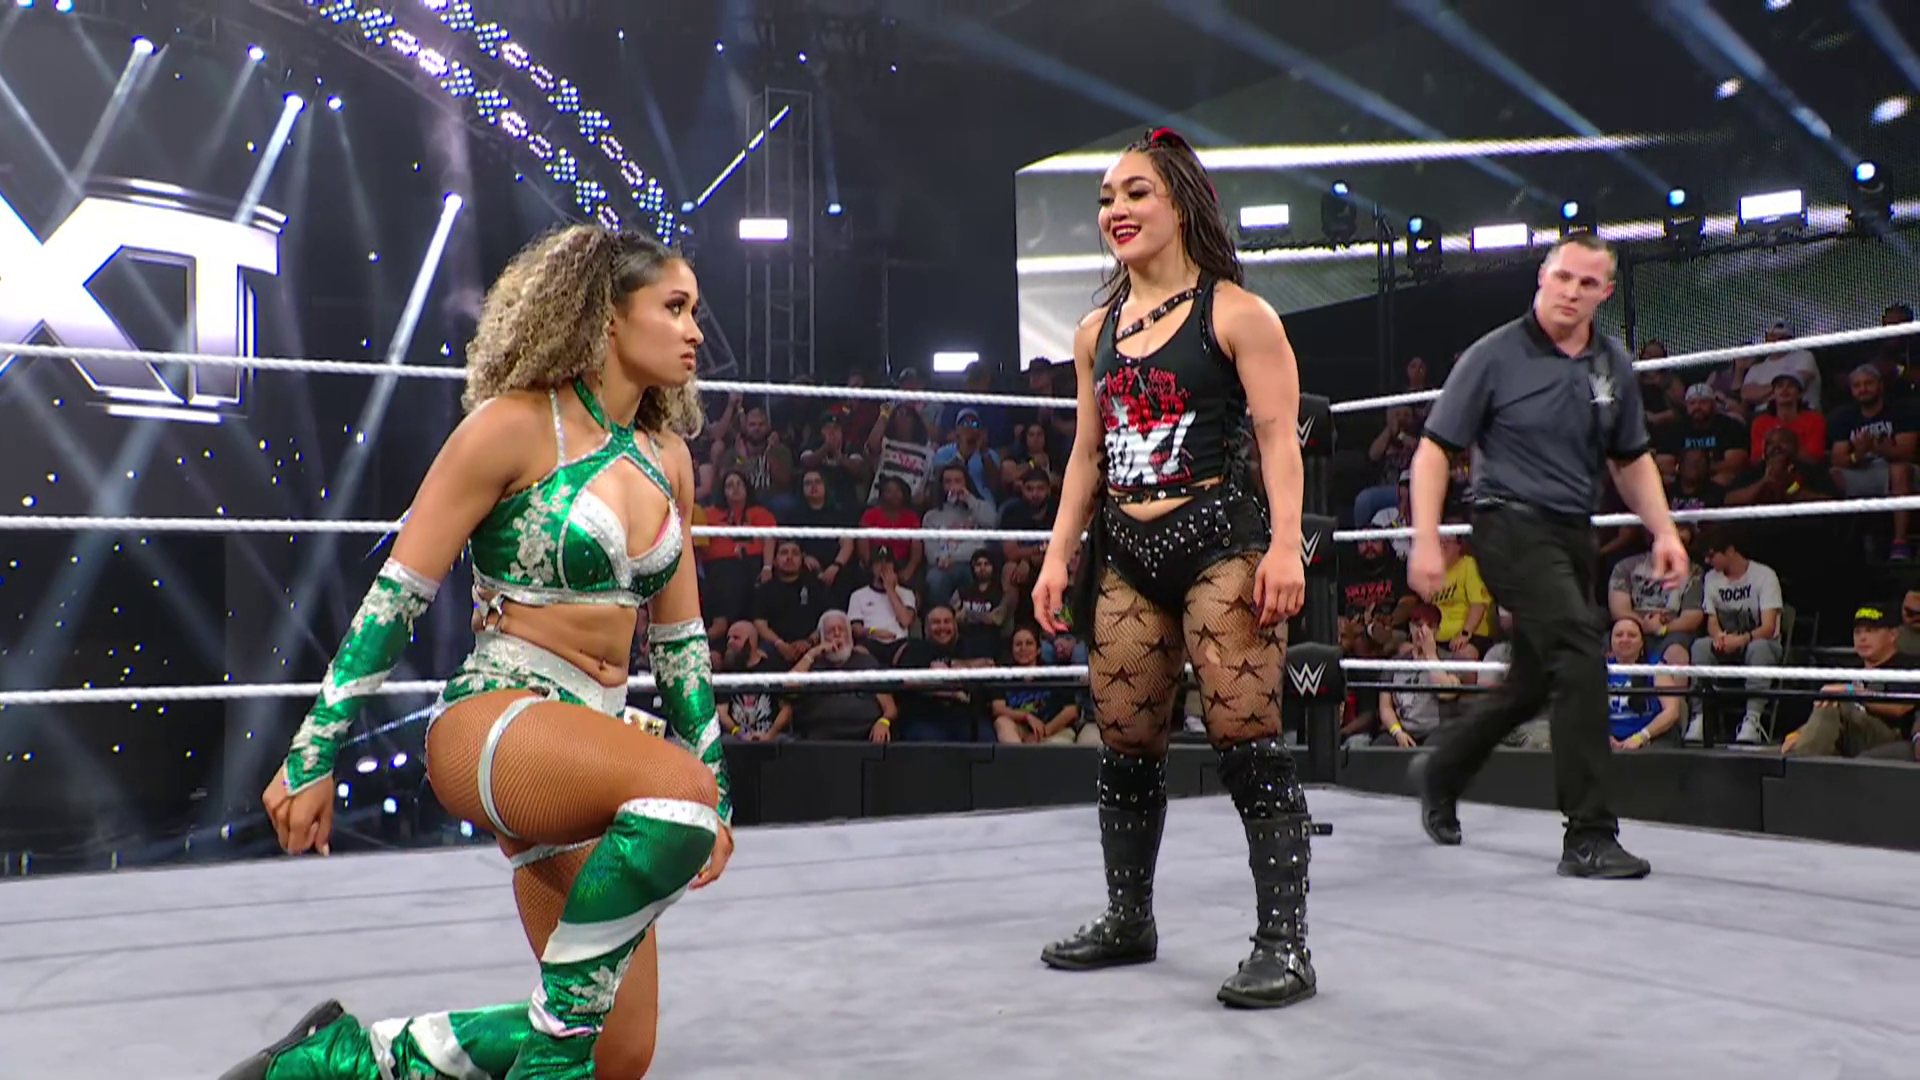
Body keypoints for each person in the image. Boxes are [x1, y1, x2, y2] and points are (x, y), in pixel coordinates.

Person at [222, 226, 734, 1080]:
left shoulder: (667, 460)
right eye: (674, 308)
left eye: (695, 313)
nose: (693, 333)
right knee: (679, 799)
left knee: (620, 1055)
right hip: (497, 722)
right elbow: (395, 600)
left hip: (595, 749)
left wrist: (717, 793)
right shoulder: (512, 427)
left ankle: (340, 1060)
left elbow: (680, 643)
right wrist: (312, 754)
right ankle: (545, 1068)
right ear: (607, 316)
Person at [1029, 127, 1313, 1009]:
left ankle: (1285, 945)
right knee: (1124, 740)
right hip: (1126, 548)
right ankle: (1129, 918)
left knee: (1246, 738)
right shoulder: (1095, 331)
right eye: (1106, 199)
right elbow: (1087, 455)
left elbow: (1279, 438)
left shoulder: (1237, 314)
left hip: (1220, 538)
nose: (1116, 209)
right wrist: (1056, 555)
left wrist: (1286, 545)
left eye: (1135, 192)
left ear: (1182, 203)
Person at [1408, 232, 1686, 879]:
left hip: (1572, 534)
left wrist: (1664, 531)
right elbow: (1433, 449)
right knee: (1580, 654)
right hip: (1507, 524)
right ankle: (1589, 834)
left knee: (1534, 681)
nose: (1571, 292)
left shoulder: (1610, 364)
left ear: (1605, 292)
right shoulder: (1494, 355)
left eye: (1587, 283)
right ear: (1542, 276)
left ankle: (1443, 769)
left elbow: (1631, 459)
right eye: (1563, 277)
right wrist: (1424, 537)